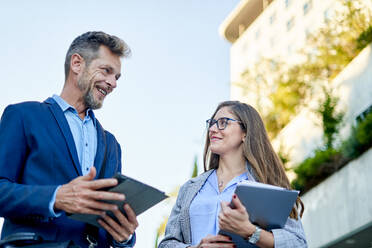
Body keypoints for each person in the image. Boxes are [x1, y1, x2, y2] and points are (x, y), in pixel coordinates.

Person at [0, 31, 138, 247]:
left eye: (117, 77)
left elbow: (110, 218)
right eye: (107, 71)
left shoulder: (112, 145)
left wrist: (125, 236)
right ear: (76, 63)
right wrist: (56, 197)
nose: (113, 83)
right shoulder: (23, 116)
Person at [158, 101, 307, 248]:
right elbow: (166, 244)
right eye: (212, 123)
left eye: (223, 122)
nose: (213, 129)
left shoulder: (267, 185)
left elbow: (298, 243)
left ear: (245, 132)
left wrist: (249, 231)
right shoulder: (189, 189)